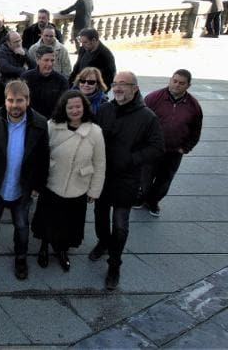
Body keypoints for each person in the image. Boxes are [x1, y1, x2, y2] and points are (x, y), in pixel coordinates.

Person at [91, 71, 164, 290]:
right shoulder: (104, 109)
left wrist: (132, 159)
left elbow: (157, 147)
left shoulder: (147, 116)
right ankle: (103, 242)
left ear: (135, 88)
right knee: (100, 218)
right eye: (115, 83)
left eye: (124, 84)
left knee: (121, 226)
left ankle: (114, 265)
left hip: (127, 178)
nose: (118, 88)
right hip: (103, 176)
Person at [0, 80, 49, 280]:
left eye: (19, 101)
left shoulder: (40, 123)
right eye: (11, 100)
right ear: (5, 101)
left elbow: (43, 158)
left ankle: (21, 258)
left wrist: (38, 186)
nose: (15, 105)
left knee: (22, 226)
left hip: (22, 187)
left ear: (28, 101)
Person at [31, 91, 105, 272]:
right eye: (70, 107)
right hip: (52, 183)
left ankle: (62, 251)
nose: (74, 110)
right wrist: (36, 183)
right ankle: (43, 248)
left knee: (69, 224)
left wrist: (94, 191)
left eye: (78, 106)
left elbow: (100, 162)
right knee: (47, 220)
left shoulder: (95, 132)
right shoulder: (52, 126)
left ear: (84, 107)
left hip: (78, 186)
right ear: (63, 108)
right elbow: (39, 155)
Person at [135, 69, 203, 216]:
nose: (177, 85)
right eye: (175, 81)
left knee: (164, 181)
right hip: (152, 149)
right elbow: (140, 122)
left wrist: (185, 148)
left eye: (181, 83)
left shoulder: (194, 106)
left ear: (188, 86)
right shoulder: (153, 98)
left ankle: (153, 202)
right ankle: (142, 197)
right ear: (170, 80)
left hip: (174, 151)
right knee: (145, 178)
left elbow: (196, 130)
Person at [22, 45, 70, 119]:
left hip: (53, 121)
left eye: (52, 60)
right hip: (30, 120)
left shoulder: (62, 81)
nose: (50, 64)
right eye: (46, 60)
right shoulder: (26, 78)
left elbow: (64, 106)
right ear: (37, 60)